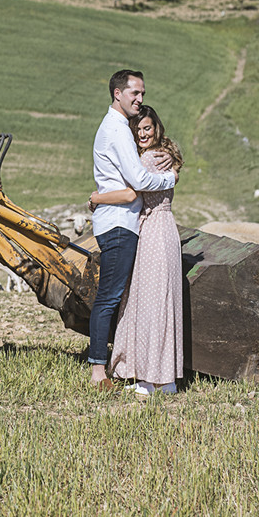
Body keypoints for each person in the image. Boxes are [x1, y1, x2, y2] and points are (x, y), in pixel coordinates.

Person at [88, 70, 176, 390]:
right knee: (109, 298)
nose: (140, 99)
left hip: (117, 222)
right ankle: (99, 371)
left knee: (113, 296)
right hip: (119, 225)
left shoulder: (114, 127)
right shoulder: (118, 130)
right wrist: (169, 180)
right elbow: (137, 183)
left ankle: (114, 364)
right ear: (117, 94)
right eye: (134, 93)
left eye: (142, 94)